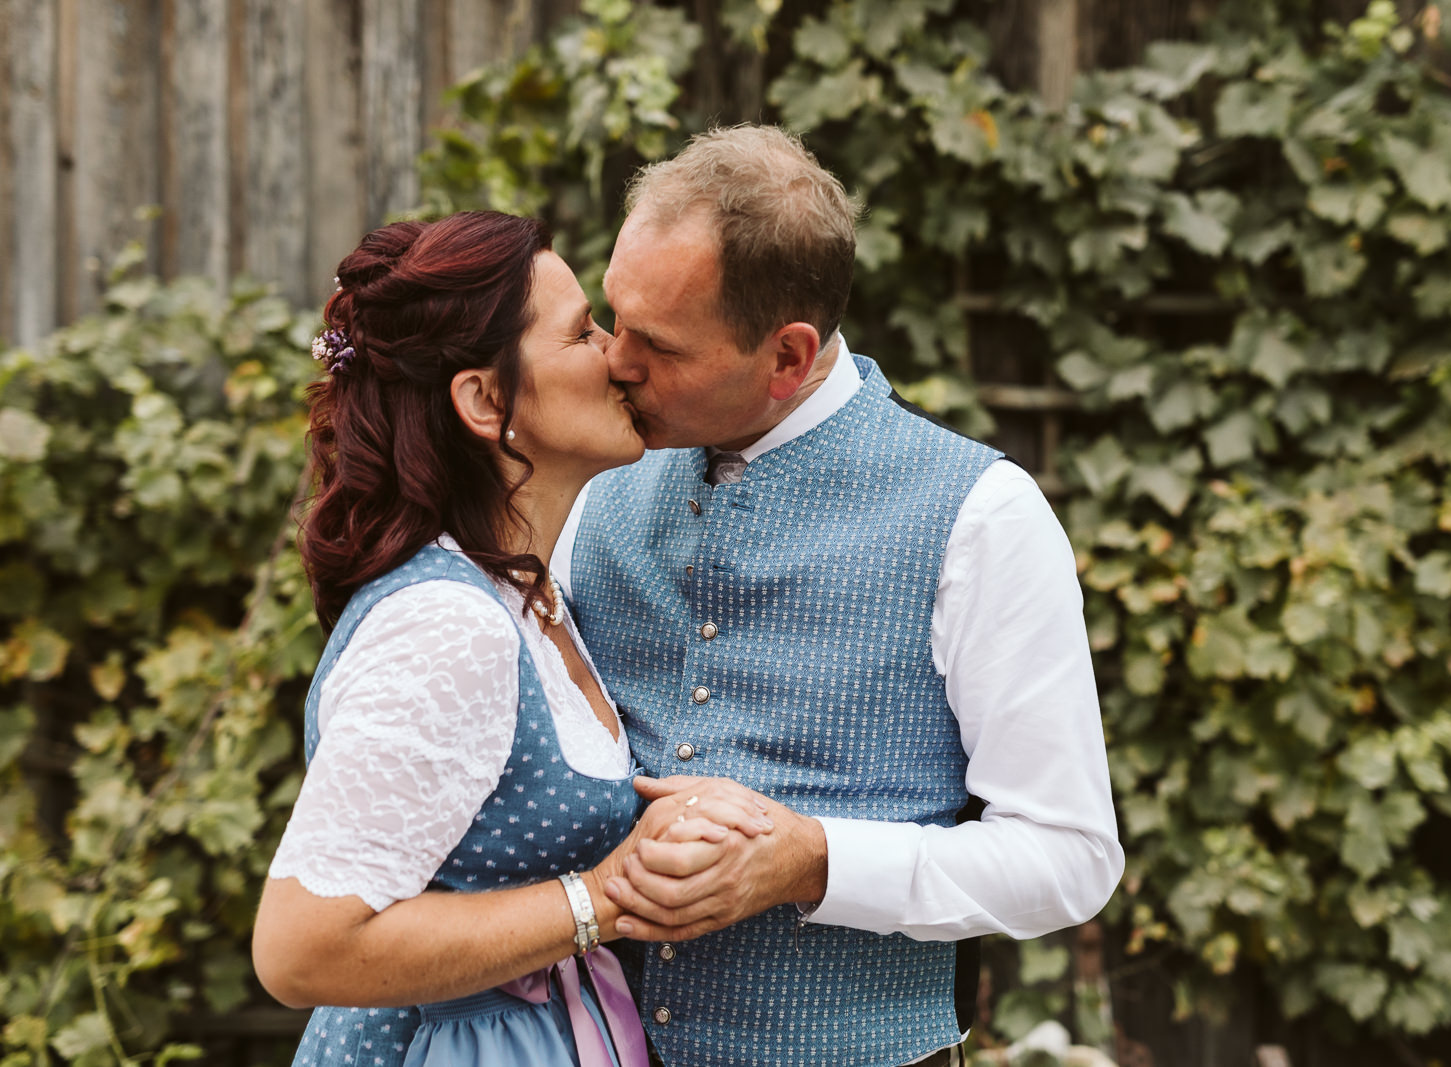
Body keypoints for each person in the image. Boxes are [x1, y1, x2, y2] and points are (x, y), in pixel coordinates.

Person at [549, 126, 1125, 1067]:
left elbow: (1070, 858)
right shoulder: (587, 482)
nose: (615, 361)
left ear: (787, 355)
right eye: (615, 317)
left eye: (659, 344)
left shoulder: (982, 517)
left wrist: (810, 860)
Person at [251, 210, 775, 1067]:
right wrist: (604, 897)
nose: (617, 355)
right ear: (487, 400)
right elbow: (301, 947)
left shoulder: (524, 591)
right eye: (580, 333)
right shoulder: (446, 626)